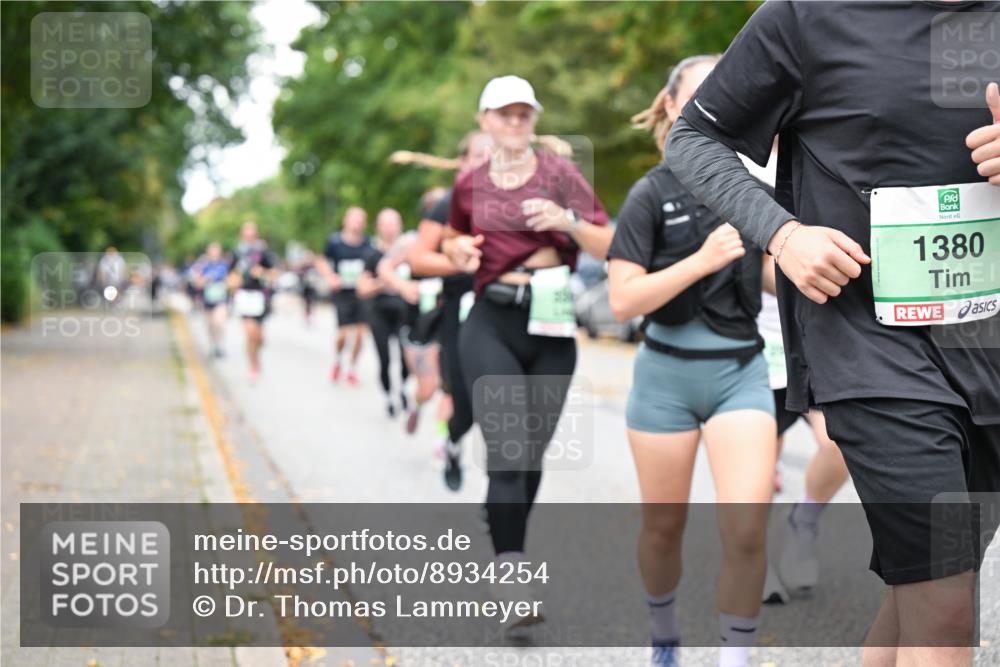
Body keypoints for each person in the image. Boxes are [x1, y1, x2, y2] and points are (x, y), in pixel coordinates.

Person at [665, 2, 1000, 662]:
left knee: (926, 588)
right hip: (868, 338)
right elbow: (694, 139)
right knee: (948, 599)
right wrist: (783, 234)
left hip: (987, 344)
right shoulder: (807, 16)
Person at [609, 55, 776, 667]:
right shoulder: (649, 193)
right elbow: (623, 299)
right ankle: (664, 635)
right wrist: (700, 262)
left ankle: (736, 657)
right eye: (699, 94)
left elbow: (768, 275)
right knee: (662, 528)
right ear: (673, 106)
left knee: (748, 528)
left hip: (741, 375)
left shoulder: (757, 189)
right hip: (665, 378)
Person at [443, 75, 612, 628]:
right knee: (511, 449)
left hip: (553, 325)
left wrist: (566, 221)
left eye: (524, 114)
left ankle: (504, 527)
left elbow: (611, 243)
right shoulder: (468, 185)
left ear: (534, 120)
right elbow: (450, 241)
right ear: (485, 119)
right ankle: (512, 576)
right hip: (491, 319)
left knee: (529, 455)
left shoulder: (561, 174)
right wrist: (458, 247)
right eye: (504, 114)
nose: (515, 123)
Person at [406, 132, 495, 490]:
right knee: (465, 398)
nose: (487, 161)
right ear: (463, 162)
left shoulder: (519, 198)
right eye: (478, 155)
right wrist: (467, 264)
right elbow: (417, 260)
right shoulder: (449, 203)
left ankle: (503, 498)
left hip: (508, 311)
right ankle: (455, 440)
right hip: (460, 310)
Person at [356, 208, 416, 419]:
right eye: (385, 223)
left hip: (405, 312)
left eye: (393, 223)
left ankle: (405, 389)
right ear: (379, 227)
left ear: (400, 225)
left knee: (407, 356)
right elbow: (362, 288)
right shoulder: (371, 255)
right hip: (379, 312)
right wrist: (386, 281)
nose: (390, 228)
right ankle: (389, 395)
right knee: (384, 358)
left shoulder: (410, 252)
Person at [318, 206, 372, 385]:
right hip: (342, 293)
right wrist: (330, 277)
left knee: (359, 333)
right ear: (346, 221)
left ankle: (352, 369)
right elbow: (322, 261)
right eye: (353, 220)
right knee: (342, 334)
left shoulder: (368, 243)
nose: (357, 224)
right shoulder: (335, 242)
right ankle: (338, 360)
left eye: (360, 220)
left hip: (361, 293)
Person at [229, 221, 279, 380]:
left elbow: (275, 273)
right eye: (246, 231)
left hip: (261, 296)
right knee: (250, 333)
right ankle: (253, 366)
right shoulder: (237, 252)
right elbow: (230, 274)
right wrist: (233, 282)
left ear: (256, 233)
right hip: (244, 296)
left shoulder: (263, 251)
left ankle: (256, 358)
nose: (249, 235)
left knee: (259, 337)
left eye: (252, 231)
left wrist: (262, 272)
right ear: (242, 233)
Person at [192, 242, 231, 358]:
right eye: (212, 250)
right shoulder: (203, 266)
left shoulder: (225, 265)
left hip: (221, 299)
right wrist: (206, 279)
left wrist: (227, 284)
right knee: (210, 324)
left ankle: (220, 345)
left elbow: (231, 280)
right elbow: (197, 282)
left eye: (216, 250)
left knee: (219, 322)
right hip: (207, 299)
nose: (214, 253)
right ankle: (213, 345)